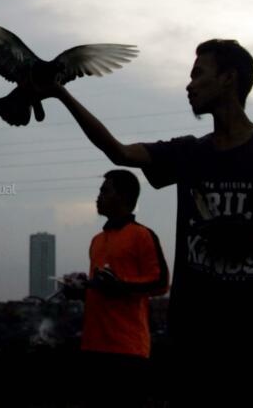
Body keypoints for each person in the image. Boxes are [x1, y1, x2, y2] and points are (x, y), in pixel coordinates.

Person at [42, 39, 253, 407]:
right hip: (195, 335)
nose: (189, 84)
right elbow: (119, 152)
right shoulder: (188, 152)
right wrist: (60, 93)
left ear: (228, 78)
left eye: (198, 74)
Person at [62, 169, 169, 408]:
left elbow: (161, 282)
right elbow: (102, 290)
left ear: (124, 197)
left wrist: (120, 286)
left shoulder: (142, 235)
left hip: (128, 349)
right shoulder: (97, 241)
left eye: (105, 191)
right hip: (93, 345)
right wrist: (80, 290)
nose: (98, 196)